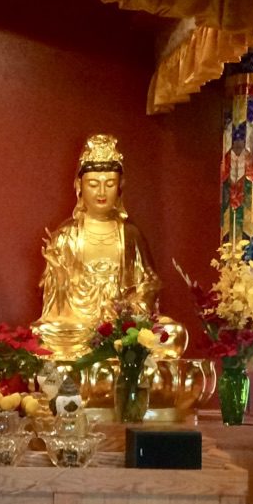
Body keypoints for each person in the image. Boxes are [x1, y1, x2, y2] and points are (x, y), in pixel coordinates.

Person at [34, 133, 161, 360]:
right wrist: (60, 278)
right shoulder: (66, 235)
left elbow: (148, 284)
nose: (101, 192)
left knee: (172, 333)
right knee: (43, 333)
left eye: (109, 184)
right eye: (93, 184)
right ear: (79, 186)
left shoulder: (130, 234)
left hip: (122, 329)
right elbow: (55, 310)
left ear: (121, 186)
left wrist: (134, 307)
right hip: (77, 328)